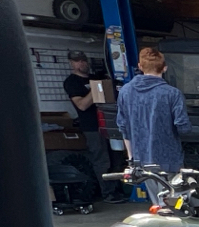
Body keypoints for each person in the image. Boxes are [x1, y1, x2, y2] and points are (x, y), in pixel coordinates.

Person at [116, 45, 191, 178]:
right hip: (169, 162)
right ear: (164, 68)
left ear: (140, 66)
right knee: (175, 197)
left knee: (157, 198)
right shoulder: (173, 94)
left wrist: (132, 160)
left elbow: (123, 127)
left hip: (141, 161)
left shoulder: (125, 92)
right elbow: (183, 127)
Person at [63, 50, 117, 200]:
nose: (82, 63)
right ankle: (108, 194)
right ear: (71, 63)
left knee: (116, 159)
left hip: (111, 124)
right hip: (92, 127)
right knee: (101, 160)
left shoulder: (95, 78)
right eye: (77, 61)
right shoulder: (72, 82)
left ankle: (119, 190)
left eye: (83, 60)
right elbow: (82, 105)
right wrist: (96, 89)